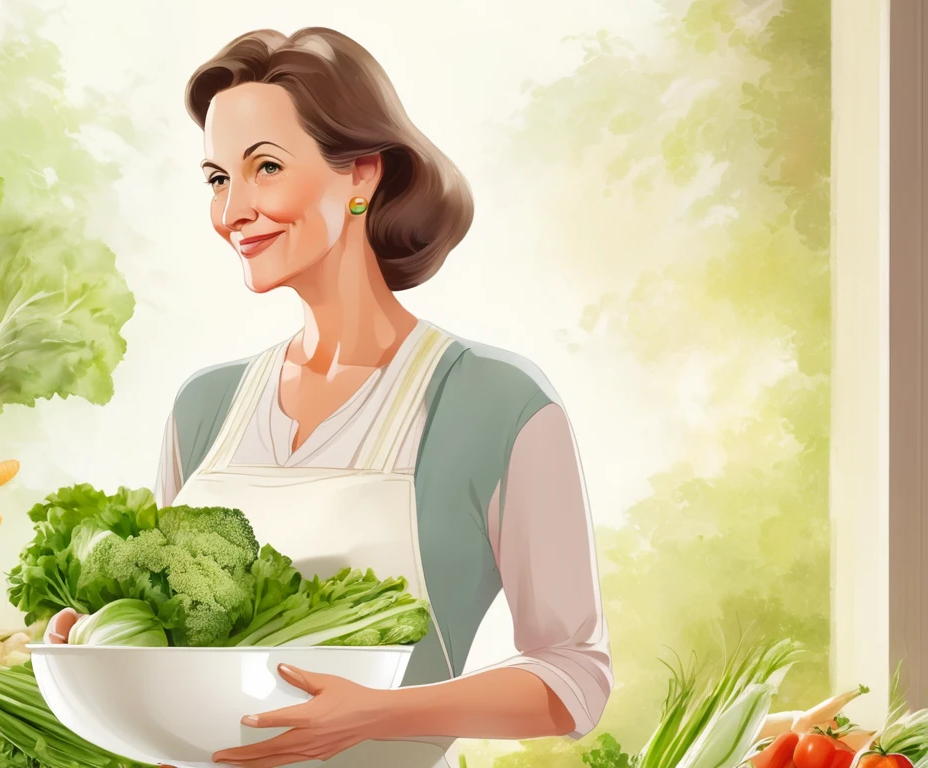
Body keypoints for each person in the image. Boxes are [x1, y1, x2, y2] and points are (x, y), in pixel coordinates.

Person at [47, 27, 611, 768]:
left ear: (363, 176)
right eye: (218, 179)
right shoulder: (204, 407)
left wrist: (379, 716)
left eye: (266, 168)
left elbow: (575, 677)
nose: (232, 212)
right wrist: (105, 647)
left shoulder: (496, 403)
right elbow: (182, 661)